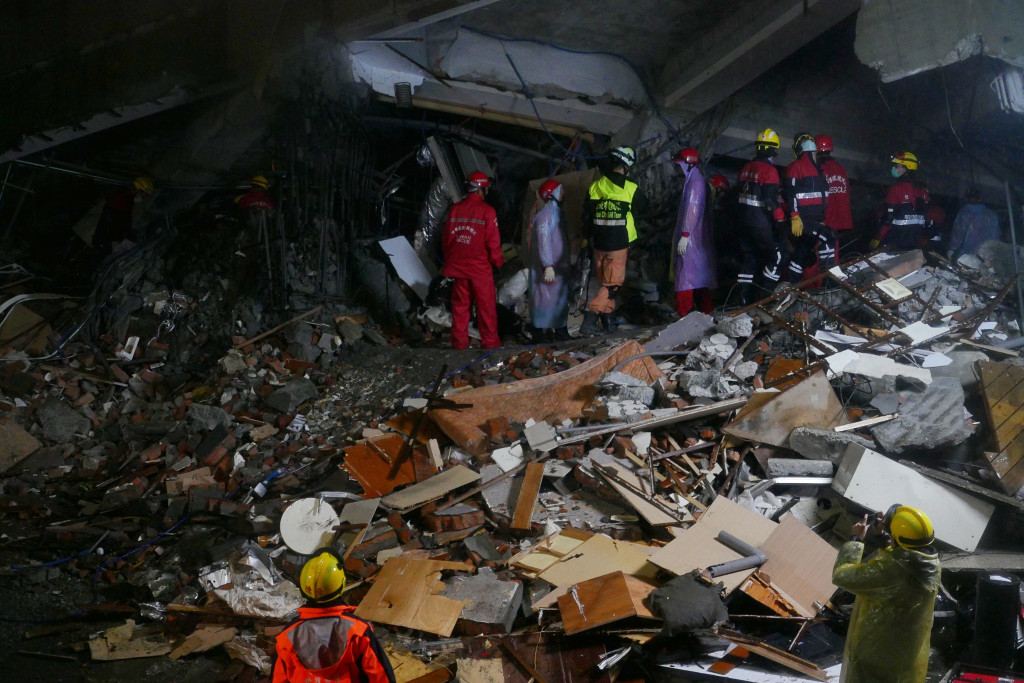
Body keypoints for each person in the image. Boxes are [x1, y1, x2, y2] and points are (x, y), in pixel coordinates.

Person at [832, 504, 940, 683]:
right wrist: (882, 537)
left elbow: (841, 576)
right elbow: (902, 559)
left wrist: (855, 540)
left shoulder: (890, 572)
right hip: (907, 657)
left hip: (876, 658)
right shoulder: (929, 564)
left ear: (897, 539)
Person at [273, 550, 396, 683]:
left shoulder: (286, 637)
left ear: (303, 589)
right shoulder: (358, 632)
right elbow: (382, 678)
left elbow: (278, 679)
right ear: (341, 585)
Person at [580, 146, 648, 335]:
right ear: (627, 166)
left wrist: (585, 240)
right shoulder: (630, 187)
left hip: (598, 243)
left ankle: (608, 322)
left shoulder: (596, 186)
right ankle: (590, 319)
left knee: (605, 280)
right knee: (613, 284)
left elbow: (586, 217)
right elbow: (645, 207)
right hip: (618, 243)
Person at [441, 171, 504, 350]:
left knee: (460, 308)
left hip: (459, 269)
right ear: (480, 190)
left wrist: (451, 262)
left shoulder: (455, 210)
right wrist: (498, 262)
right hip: (479, 271)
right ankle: (490, 345)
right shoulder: (487, 211)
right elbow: (493, 243)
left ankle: (459, 345)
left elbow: (446, 240)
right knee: (486, 310)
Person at [735, 129, 787, 305]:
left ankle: (742, 299)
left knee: (749, 257)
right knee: (779, 257)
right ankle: (763, 297)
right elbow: (770, 200)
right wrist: (780, 222)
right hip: (760, 224)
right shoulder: (769, 171)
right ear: (774, 151)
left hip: (743, 224)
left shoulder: (746, 168)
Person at [670, 148, 716, 316]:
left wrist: (685, 234)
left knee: (686, 279)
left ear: (688, 164)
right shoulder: (695, 180)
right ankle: (707, 314)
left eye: (679, 165)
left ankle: (684, 316)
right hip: (696, 240)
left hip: (691, 240)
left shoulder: (695, 183)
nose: (677, 170)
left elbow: (692, 209)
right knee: (697, 280)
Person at [784, 132, 835, 282]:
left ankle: (791, 285)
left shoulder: (818, 171)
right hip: (802, 220)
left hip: (813, 219)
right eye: (813, 152)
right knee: (828, 236)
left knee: (803, 252)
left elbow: (823, 197)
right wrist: (794, 216)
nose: (815, 155)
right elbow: (790, 193)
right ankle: (829, 281)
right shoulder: (796, 168)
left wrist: (821, 219)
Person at [526, 179, 570, 341]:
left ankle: (559, 330)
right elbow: (543, 241)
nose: (564, 193)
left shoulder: (557, 214)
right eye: (561, 190)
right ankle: (540, 333)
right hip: (548, 269)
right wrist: (548, 265)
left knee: (558, 299)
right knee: (543, 300)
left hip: (558, 267)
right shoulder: (545, 216)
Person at [872, 151, 929, 250]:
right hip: (915, 242)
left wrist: (878, 237)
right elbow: (926, 216)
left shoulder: (896, 188)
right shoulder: (923, 190)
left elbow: (888, 218)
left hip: (896, 240)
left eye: (898, 166)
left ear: (906, 168)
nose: (894, 169)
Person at [94, 176, 153, 258]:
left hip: (105, 236)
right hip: (104, 237)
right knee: (103, 257)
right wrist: (123, 236)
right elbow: (114, 220)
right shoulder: (122, 198)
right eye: (143, 194)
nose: (142, 197)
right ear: (138, 190)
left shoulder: (127, 198)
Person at [816, 135, 854, 255]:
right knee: (834, 252)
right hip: (841, 219)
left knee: (821, 253)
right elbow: (846, 192)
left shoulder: (819, 169)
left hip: (826, 219)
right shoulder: (840, 168)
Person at [948, 187, 1001, 261]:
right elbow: (996, 237)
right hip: (987, 258)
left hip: (967, 257)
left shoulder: (965, 213)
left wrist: (952, 250)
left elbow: (957, 235)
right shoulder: (992, 214)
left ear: (967, 198)